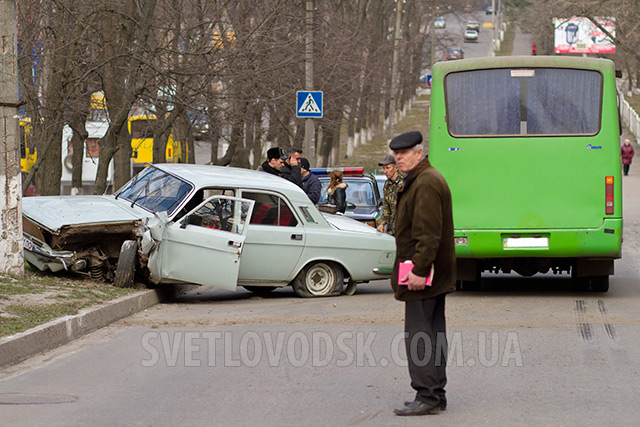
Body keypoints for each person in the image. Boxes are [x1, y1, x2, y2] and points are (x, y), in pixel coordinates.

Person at [389, 131, 456, 417]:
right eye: (396, 154)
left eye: (404, 153)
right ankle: (435, 393)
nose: (398, 158)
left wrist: (418, 270)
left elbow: (428, 235)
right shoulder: (423, 179)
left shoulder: (425, 183)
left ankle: (427, 395)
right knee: (433, 332)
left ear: (419, 152)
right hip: (432, 274)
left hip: (422, 275)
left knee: (420, 335)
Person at [376, 154, 403, 236]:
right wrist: (382, 224)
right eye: (384, 168)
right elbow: (386, 207)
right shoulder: (387, 184)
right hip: (392, 230)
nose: (385, 171)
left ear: (396, 168)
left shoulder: (404, 183)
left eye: (388, 168)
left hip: (405, 229)